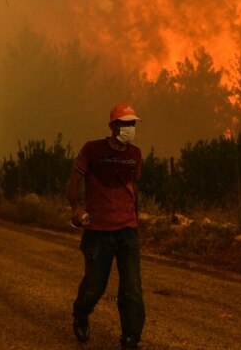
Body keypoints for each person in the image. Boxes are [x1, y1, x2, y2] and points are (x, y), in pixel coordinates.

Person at [68, 103, 145, 349]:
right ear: (113, 126)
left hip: (127, 231)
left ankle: (131, 337)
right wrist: (76, 209)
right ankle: (81, 312)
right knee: (94, 286)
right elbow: (74, 181)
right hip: (98, 232)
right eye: (125, 124)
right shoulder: (92, 150)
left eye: (132, 124)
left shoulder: (135, 154)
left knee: (132, 288)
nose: (129, 128)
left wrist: (135, 217)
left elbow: (134, 188)